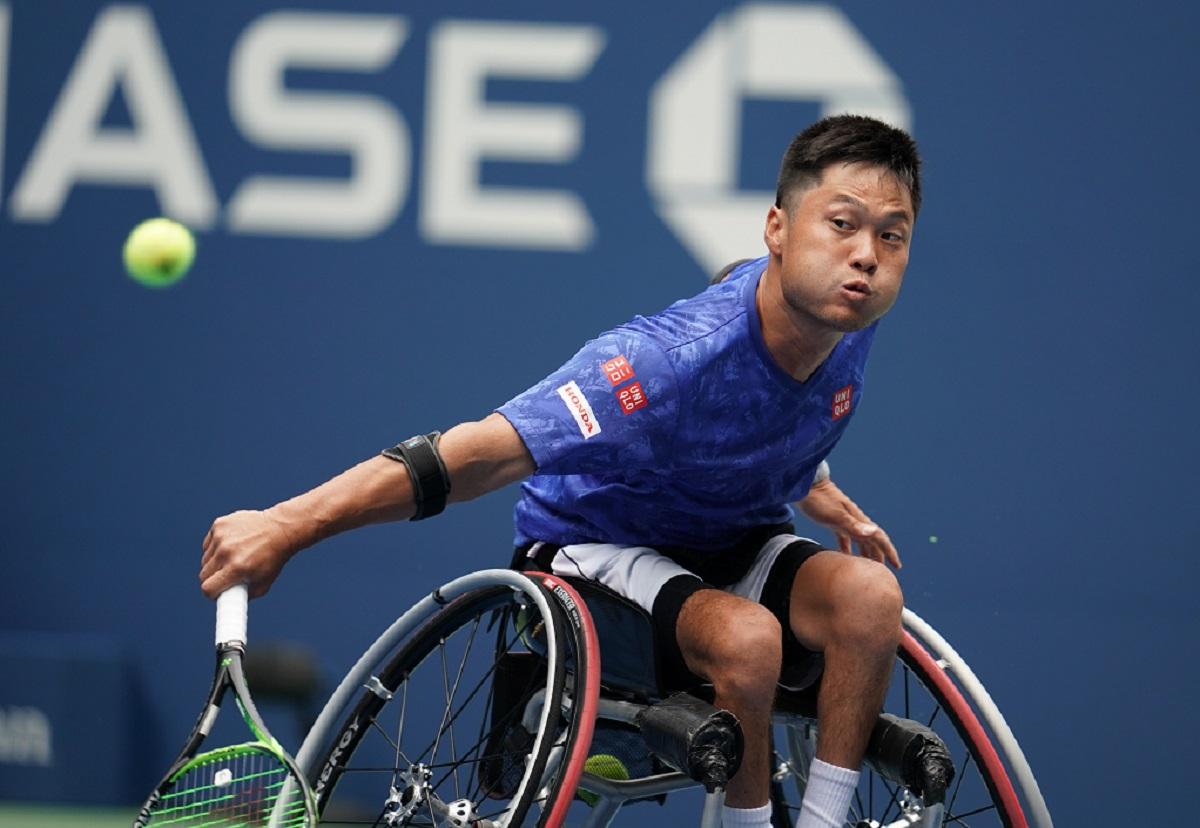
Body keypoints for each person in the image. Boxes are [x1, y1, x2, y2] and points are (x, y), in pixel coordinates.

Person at [199, 113, 921, 828]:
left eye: (891, 235)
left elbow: (762, 386)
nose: (866, 255)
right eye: (842, 224)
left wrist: (812, 482)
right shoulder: (657, 365)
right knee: (750, 640)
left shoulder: (848, 315)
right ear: (777, 230)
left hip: (733, 537)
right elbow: (472, 455)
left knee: (870, 598)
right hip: (599, 549)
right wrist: (288, 524)